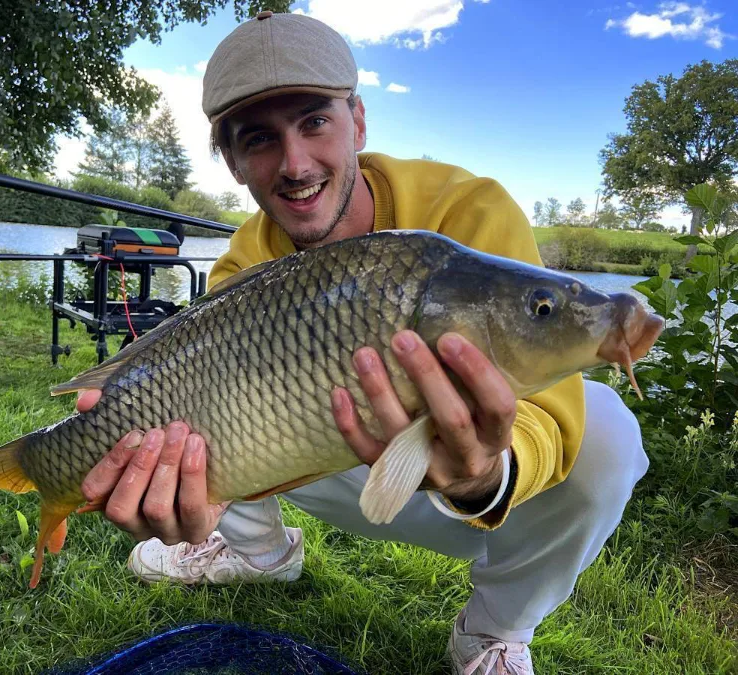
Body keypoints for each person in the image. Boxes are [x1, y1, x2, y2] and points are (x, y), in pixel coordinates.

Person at [74, 12, 649, 674]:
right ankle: (256, 552)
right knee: (210, 402)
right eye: (260, 138)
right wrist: (197, 498)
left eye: (315, 122)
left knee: (609, 436)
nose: (295, 164)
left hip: (470, 472)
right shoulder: (243, 263)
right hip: (317, 450)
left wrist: (484, 475)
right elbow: (201, 417)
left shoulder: (470, 209)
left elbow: (548, 405)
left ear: (359, 121)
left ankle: (494, 632)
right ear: (232, 161)